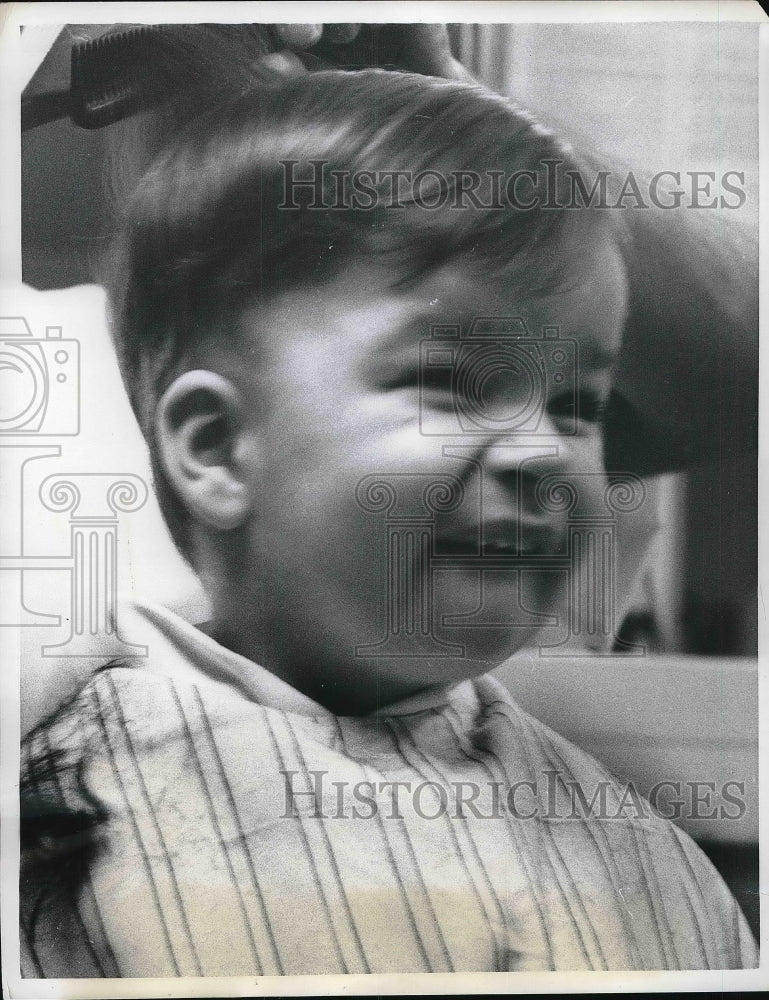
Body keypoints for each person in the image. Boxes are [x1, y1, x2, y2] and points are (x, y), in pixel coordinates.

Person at [19, 28, 758, 976]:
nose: (541, 447)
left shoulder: (636, 847)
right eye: (449, 381)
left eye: (575, 404)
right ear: (214, 447)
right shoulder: (69, 809)